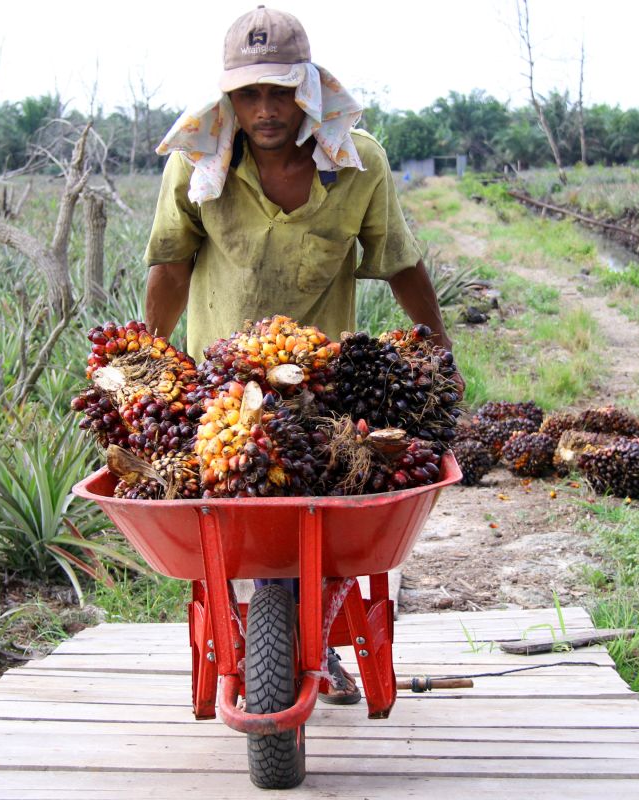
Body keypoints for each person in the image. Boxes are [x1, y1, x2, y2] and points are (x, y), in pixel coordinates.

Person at [143, 5, 455, 705]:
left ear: (309, 87)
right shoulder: (199, 165)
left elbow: (400, 263)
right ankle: (262, 640)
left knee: (313, 514)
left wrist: (440, 346)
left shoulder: (357, 164)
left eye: (280, 91)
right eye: (248, 94)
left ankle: (310, 639)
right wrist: (147, 363)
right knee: (244, 520)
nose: (265, 110)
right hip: (219, 393)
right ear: (228, 97)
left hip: (324, 390)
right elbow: (170, 267)